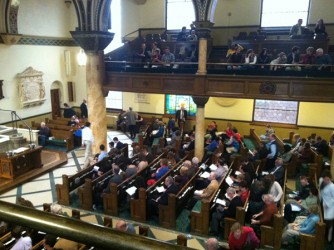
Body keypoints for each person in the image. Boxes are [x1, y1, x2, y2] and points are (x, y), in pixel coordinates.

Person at [319, 170, 334, 242]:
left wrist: (328, 204)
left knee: (329, 223)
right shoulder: (322, 183)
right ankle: (324, 236)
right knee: (324, 222)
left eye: (328, 179)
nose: (326, 181)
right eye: (325, 179)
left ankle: (329, 239)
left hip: (330, 207)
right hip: (323, 205)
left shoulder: (332, 186)